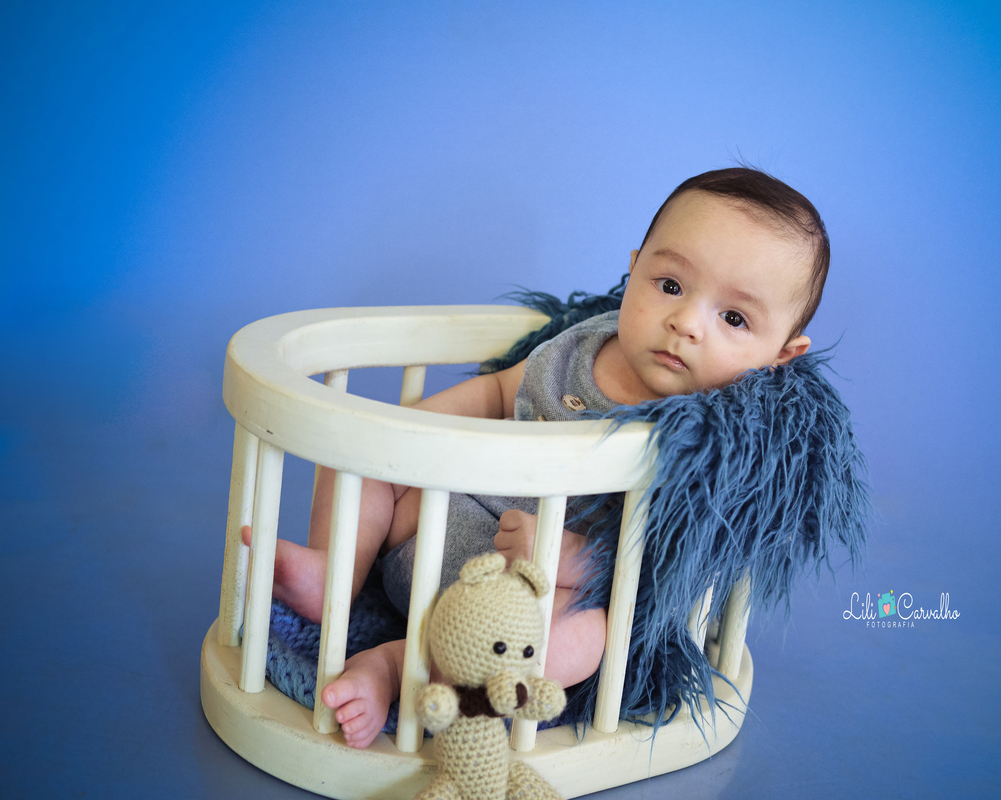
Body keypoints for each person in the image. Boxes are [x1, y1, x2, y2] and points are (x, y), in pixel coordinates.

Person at [243, 167, 831, 748]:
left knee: (594, 634)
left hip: (524, 600)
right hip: (429, 532)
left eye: (733, 318)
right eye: (670, 286)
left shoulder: (712, 440)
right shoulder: (581, 345)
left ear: (782, 355)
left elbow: (659, 561)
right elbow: (502, 390)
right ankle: (334, 574)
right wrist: (414, 430)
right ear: (633, 270)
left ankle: (396, 667)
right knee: (360, 455)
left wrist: (573, 561)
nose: (686, 323)